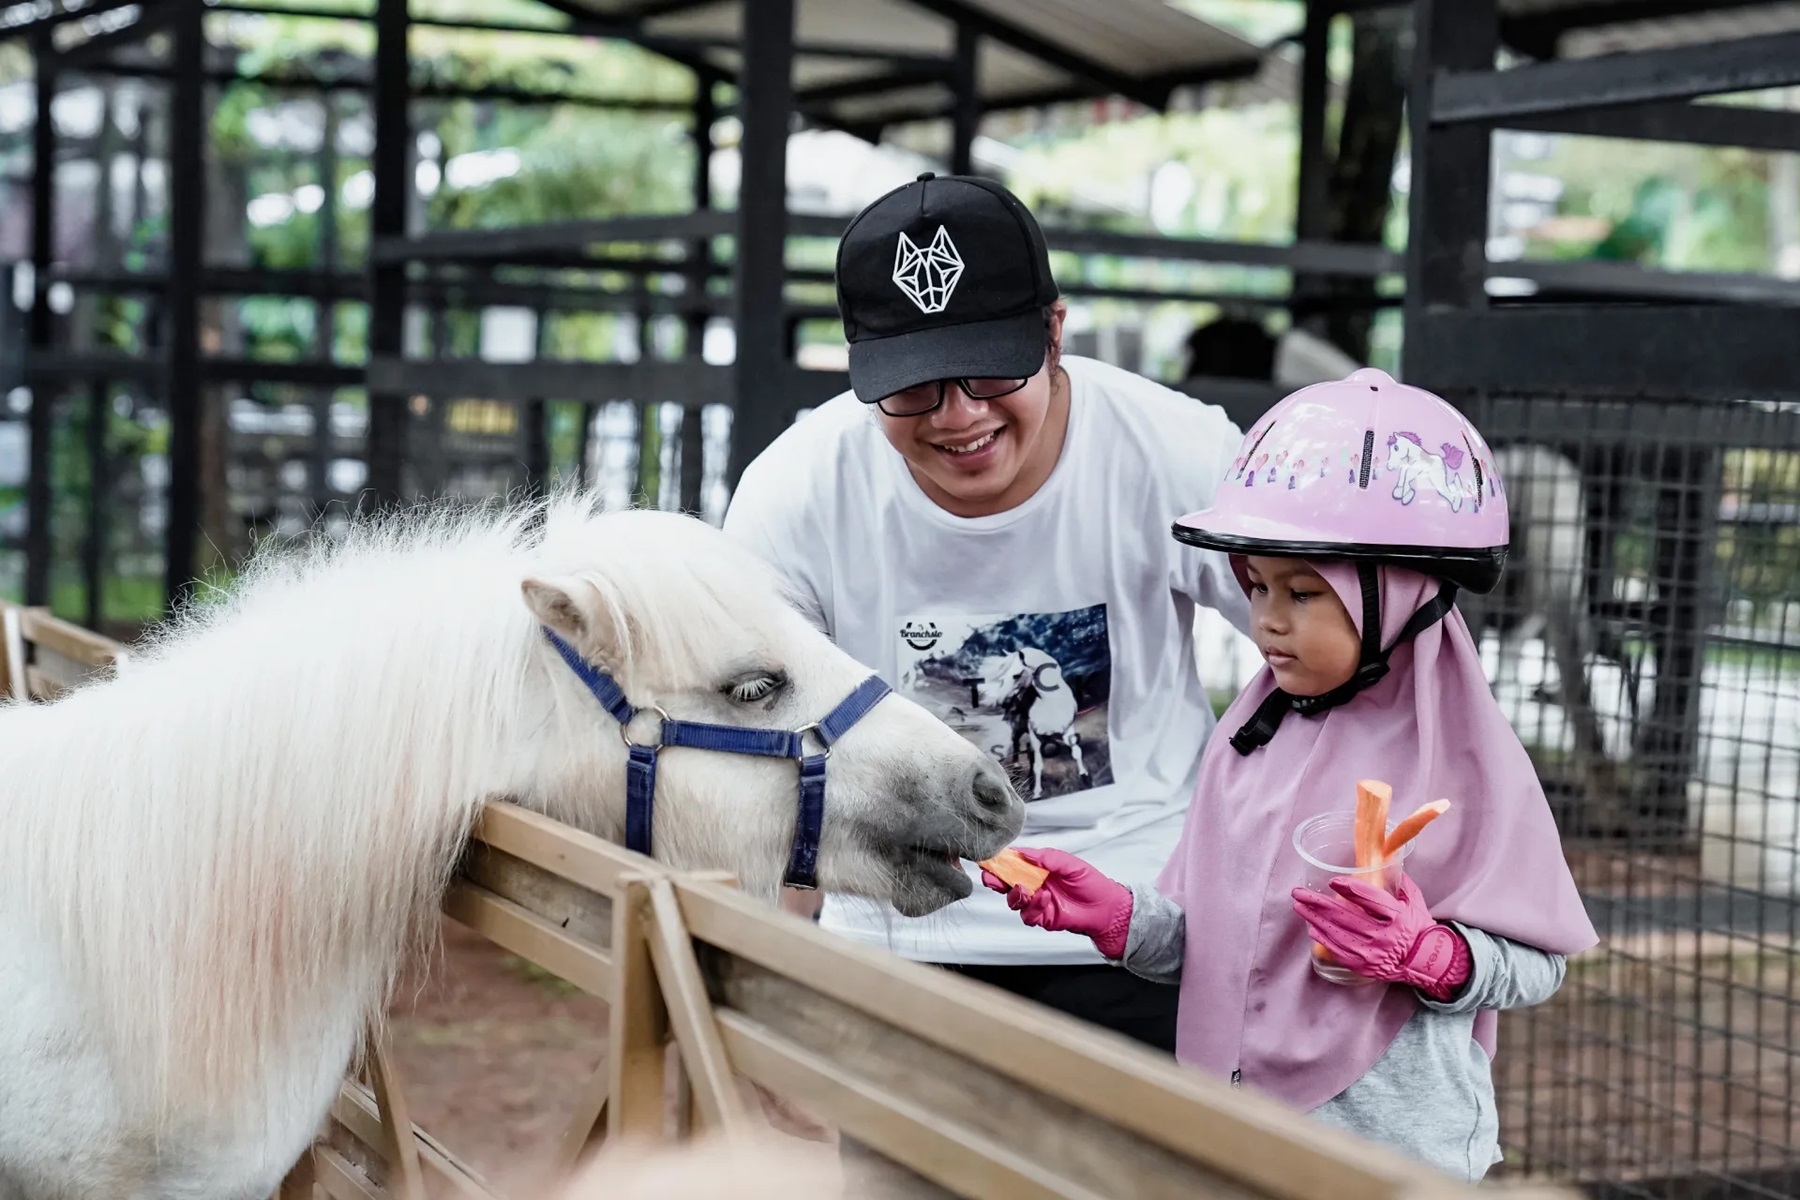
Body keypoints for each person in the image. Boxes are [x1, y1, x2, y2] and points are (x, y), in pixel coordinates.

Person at [980, 368, 1599, 1180]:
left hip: (1389, 1160)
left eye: (1304, 592)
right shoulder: (1251, 738)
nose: (1266, 620)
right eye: (1257, 585)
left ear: (1399, 593)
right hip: (1239, 1137)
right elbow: (1216, 951)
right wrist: (1121, 916)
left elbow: (1538, 962)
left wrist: (1435, 958)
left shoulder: (1468, 763)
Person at [720, 171, 1253, 1053]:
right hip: (902, 935)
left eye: (988, 370)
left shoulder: (1176, 452)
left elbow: (1325, 650)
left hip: (1141, 930)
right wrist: (769, 965)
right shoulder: (797, 491)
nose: (958, 417)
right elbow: (768, 748)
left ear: (1053, 331)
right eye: (913, 385)